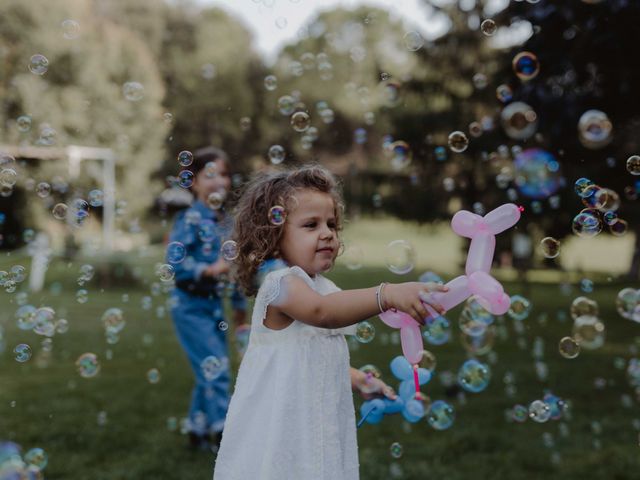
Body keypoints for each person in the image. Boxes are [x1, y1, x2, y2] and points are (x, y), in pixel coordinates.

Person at [213, 164, 447, 479]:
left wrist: (358, 379)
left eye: (332, 225)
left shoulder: (322, 287)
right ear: (273, 234)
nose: (327, 233)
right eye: (311, 225)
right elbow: (322, 313)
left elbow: (310, 349)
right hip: (282, 430)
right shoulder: (280, 282)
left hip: (315, 425)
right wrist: (387, 294)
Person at [167, 146, 247, 452]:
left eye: (224, 174)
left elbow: (237, 267)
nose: (219, 181)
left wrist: (240, 311)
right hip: (189, 307)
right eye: (210, 174)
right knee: (217, 367)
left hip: (214, 307)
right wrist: (209, 269)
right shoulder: (189, 219)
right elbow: (175, 264)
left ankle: (197, 430)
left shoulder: (226, 223)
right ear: (195, 182)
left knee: (208, 368)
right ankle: (223, 434)